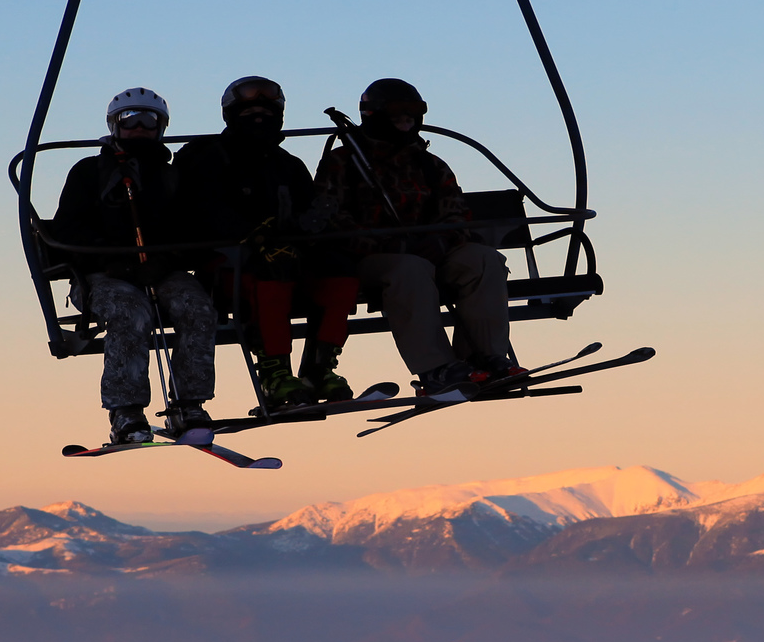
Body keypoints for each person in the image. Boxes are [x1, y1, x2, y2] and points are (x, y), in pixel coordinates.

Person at [307, 78, 520, 399]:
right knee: (409, 270)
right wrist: (389, 244)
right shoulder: (345, 163)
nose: (407, 118)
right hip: (368, 259)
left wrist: (439, 241)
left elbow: (456, 214)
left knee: (483, 259)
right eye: (397, 111)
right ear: (374, 114)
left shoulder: (429, 165)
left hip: (431, 252)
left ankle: (484, 357)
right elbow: (333, 220)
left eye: (415, 111)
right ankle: (436, 368)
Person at [174, 76, 360, 411]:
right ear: (232, 114)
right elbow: (203, 210)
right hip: (227, 262)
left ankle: (319, 370)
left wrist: (313, 232)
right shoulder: (208, 158)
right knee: (272, 269)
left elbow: (308, 213)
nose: (259, 117)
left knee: (340, 271)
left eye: (266, 109)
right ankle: (276, 375)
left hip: (288, 259)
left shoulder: (287, 165)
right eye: (249, 110)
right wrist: (255, 236)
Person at [43, 87, 216, 444]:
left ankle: (190, 404)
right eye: (129, 120)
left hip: (161, 269)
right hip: (101, 276)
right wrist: (111, 259)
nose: (139, 128)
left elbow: (193, 227)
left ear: (161, 128)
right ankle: (126, 411)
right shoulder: (89, 172)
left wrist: (167, 259)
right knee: (129, 311)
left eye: (148, 120)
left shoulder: (172, 176)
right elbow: (67, 229)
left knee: (196, 306)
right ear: (114, 125)